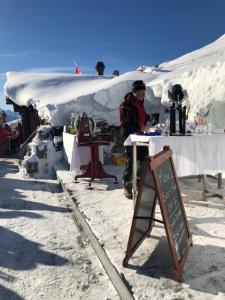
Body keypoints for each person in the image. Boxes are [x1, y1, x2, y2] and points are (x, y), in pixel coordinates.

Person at [119, 80, 154, 199]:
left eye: (143, 92)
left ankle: (138, 182)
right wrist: (140, 127)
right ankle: (127, 185)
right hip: (130, 137)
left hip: (141, 137)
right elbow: (126, 124)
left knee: (143, 160)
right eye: (138, 92)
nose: (141, 94)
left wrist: (149, 118)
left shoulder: (139, 104)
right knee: (132, 161)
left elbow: (141, 115)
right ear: (134, 92)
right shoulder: (125, 105)